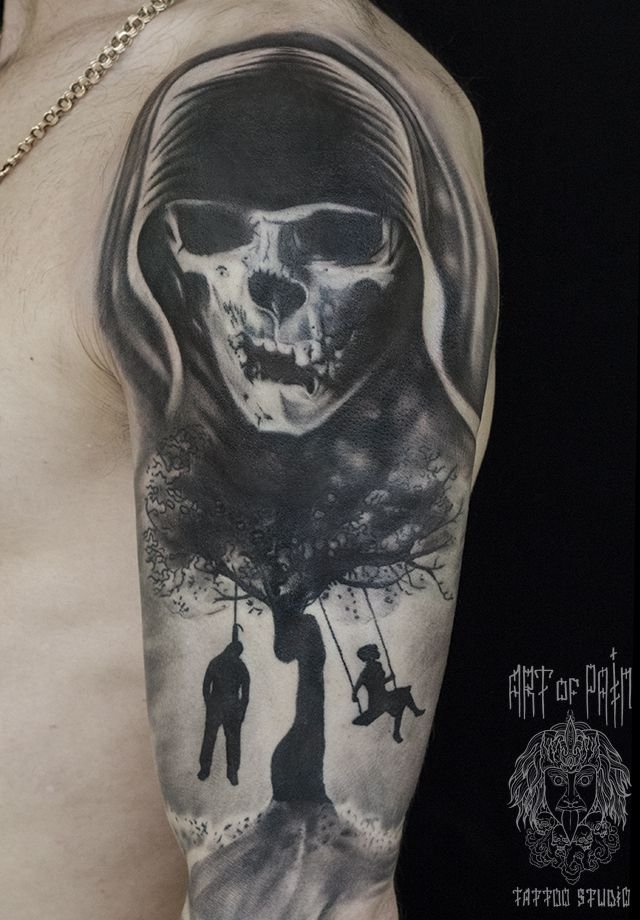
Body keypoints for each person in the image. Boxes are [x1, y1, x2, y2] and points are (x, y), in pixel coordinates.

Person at [0, 1, 497, 917]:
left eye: (338, 240)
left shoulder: (266, 103)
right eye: (215, 238)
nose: (270, 288)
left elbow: (311, 903)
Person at [198, 626, 250, 785]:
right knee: (232, 741)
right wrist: (241, 711)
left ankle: (206, 770)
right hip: (231, 707)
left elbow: (206, 687)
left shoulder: (216, 662)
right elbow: (245, 694)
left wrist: (209, 703)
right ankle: (231, 772)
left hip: (218, 706)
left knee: (210, 739)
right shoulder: (240, 666)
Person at [351, 644, 425, 743]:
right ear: (371, 655)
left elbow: (379, 683)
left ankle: (414, 713)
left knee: (404, 693)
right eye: (375, 651)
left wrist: (390, 678)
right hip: (377, 702)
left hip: (384, 695)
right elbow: (358, 686)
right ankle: (398, 731)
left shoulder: (378, 665)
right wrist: (354, 695)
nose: (378, 652)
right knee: (402, 700)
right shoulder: (365, 673)